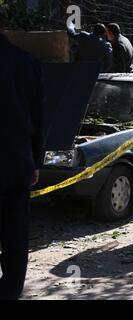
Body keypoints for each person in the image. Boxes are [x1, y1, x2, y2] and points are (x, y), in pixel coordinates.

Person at [0, 10, 44, 300]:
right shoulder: (26, 62)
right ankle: (10, 292)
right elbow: (39, 116)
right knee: (15, 235)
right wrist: (36, 161)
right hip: (16, 162)